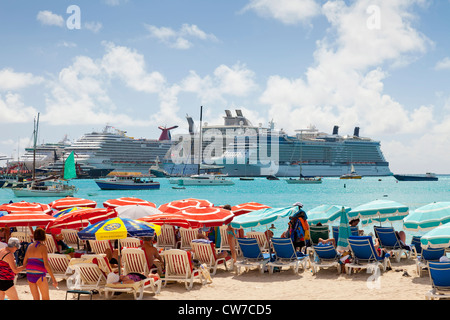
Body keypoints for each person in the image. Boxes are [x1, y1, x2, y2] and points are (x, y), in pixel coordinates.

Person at [23, 228, 58, 300]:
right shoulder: (43, 247)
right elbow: (46, 264)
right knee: (45, 298)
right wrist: (53, 279)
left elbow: (24, 262)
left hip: (29, 274)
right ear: (43, 237)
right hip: (39, 275)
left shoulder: (29, 246)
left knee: (35, 298)